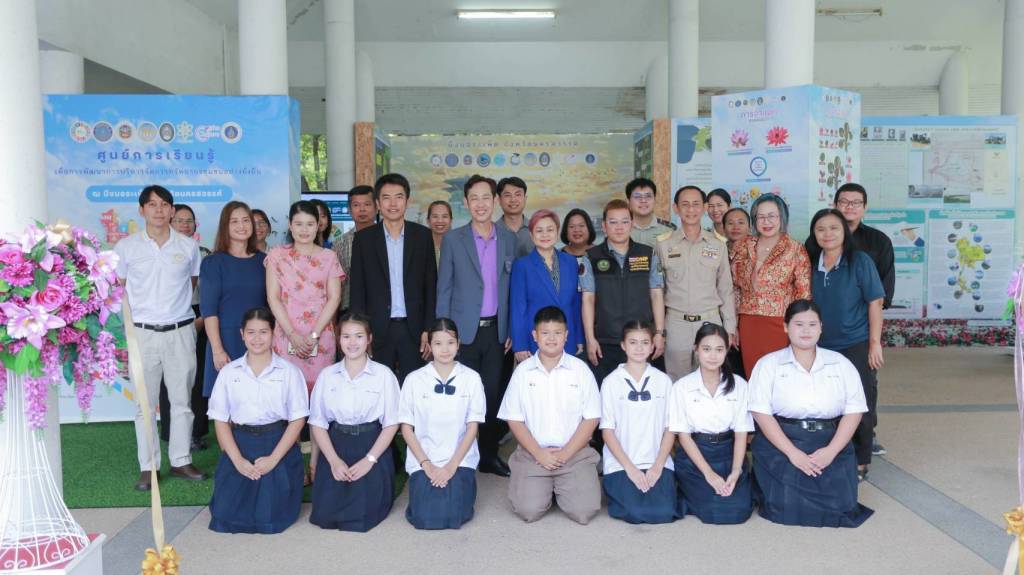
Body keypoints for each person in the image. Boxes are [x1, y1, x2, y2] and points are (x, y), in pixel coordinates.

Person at [748, 299, 874, 528]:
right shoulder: (768, 364)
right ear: (785, 327)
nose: (806, 331)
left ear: (821, 328)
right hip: (784, 441)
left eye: (812, 324)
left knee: (841, 506)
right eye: (799, 324)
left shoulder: (840, 363)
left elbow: (854, 411)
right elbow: (761, 413)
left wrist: (831, 451)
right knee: (786, 506)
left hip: (829, 440)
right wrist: (793, 453)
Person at [114, 185, 205, 490]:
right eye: (152, 205)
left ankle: (181, 460)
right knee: (145, 405)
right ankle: (149, 467)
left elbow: (191, 284)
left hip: (180, 331)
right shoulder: (126, 247)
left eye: (164, 204)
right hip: (142, 333)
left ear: (172, 210)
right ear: (141, 210)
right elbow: (119, 290)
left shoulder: (188, 247)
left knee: (182, 401)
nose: (158, 210)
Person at [436, 174, 517, 477]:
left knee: (492, 395)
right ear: (466, 202)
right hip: (462, 333)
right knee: (462, 396)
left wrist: (511, 328)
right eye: (474, 199)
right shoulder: (454, 239)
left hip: (497, 332)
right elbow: (444, 287)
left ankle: (489, 456)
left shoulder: (508, 238)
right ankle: (460, 456)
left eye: (486, 198)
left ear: (495, 201)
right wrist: (443, 332)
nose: (480, 204)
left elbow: (512, 288)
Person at [206, 308, 308, 534]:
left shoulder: (289, 372)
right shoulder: (229, 372)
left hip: (277, 443)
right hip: (240, 443)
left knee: (269, 517)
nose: (257, 339)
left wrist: (273, 459)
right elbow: (220, 421)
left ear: (273, 334)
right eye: (251, 332)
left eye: (263, 332)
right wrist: (237, 460)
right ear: (242, 334)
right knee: (225, 516)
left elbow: (298, 420)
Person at [498, 306, 602, 524]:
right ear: (535, 336)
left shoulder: (581, 370)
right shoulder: (522, 372)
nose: (551, 338)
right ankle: (547, 487)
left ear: (566, 335)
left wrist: (565, 453)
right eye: (545, 333)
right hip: (533, 453)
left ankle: (559, 486)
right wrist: (539, 453)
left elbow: (591, 418)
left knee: (583, 511)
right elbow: (514, 419)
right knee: (528, 510)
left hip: (574, 453)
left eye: (557, 333)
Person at [266, 200, 344, 479]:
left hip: (320, 338)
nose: (304, 229)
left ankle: (316, 464)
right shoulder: (276, 256)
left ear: (318, 226)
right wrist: (292, 334)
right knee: (289, 400)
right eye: (298, 224)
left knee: (318, 402)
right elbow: (273, 297)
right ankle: (294, 464)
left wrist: (312, 335)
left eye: (310, 224)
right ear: (290, 225)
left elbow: (334, 298)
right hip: (286, 335)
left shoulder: (329, 257)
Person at [806, 208, 885, 480]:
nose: (827, 234)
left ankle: (861, 461)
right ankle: (833, 455)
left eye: (833, 228)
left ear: (844, 232)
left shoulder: (860, 261)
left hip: (855, 344)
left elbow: (875, 302)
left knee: (859, 401)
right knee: (826, 404)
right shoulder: (811, 263)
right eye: (820, 229)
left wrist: (874, 343)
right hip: (820, 347)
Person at [308, 313, 400, 532]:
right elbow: (318, 422)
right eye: (346, 336)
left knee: (361, 516)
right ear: (338, 339)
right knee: (325, 516)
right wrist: (333, 461)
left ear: (369, 339)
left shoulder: (384, 375)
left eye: (359, 336)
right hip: (336, 445)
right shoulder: (327, 375)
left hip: (371, 445)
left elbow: (391, 423)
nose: (352, 343)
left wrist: (369, 460)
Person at [399, 318, 485, 530]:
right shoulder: (414, 379)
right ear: (429, 345)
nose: (445, 349)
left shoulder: (471, 378)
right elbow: (406, 428)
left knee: (455, 514)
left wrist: (451, 466)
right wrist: (427, 464)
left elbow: (472, 427)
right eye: (438, 343)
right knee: (424, 517)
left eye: (450, 343)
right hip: (424, 459)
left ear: (459, 344)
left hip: (459, 460)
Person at [349, 173, 436, 383]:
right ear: (378, 204)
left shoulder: (423, 236)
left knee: (413, 386)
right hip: (377, 328)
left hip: (414, 329)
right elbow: (357, 290)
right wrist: (362, 333)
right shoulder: (364, 239)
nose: (393, 204)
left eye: (399, 197)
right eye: (386, 198)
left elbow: (431, 286)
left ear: (407, 201)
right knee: (377, 386)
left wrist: (428, 329)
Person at [831, 182, 895, 458]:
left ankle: (867, 437)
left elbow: (882, 293)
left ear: (865, 208)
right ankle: (835, 434)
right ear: (835, 205)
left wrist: (874, 340)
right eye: (844, 202)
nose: (849, 207)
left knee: (865, 382)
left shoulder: (878, 242)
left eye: (856, 202)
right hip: (829, 327)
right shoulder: (821, 238)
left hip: (863, 326)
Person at [668, 322, 754, 524]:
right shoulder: (682, 387)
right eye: (706, 349)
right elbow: (683, 436)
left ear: (727, 350)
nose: (713, 356)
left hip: (728, 453)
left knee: (738, 510)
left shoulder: (739, 385)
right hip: (696, 456)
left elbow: (741, 432)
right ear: (696, 349)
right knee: (714, 510)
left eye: (719, 349)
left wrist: (736, 470)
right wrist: (709, 474)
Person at [599, 321, 679, 524]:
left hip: (656, 460)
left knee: (663, 512)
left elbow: (670, 428)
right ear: (623, 345)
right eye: (633, 342)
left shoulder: (663, 381)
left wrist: (658, 465)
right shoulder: (611, 382)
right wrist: (631, 469)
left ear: (653, 346)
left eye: (645, 342)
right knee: (634, 511)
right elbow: (607, 430)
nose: (639, 348)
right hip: (622, 463)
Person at [581, 199, 666, 387]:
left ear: (632, 224)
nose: (619, 227)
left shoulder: (647, 254)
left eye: (624, 221)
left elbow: (656, 295)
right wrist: (590, 339)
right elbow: (588, 300)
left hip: (641, 341)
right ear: (604, 226)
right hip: (605, 342)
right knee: (606, 394)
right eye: (613, 222)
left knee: (642, 393)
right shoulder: (592, 257)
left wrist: (659, 333)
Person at [655, 186, 737, 381]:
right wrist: (659, 331)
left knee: (711, 379)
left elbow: (725, 289)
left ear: (705, 208)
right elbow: (657, 290)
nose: (690, 210)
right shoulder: (663, 244)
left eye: (696, 204)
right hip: (676, 324)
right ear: (676, 208)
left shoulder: (718, 244)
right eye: (685, 205)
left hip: (710, 321)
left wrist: (730, 328)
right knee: (677, 382)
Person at [730, 194, 811, 371]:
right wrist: (733, 324)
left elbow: (803, 293)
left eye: (772, 216)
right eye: (761, 217)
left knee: (780, 374)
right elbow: (734, 287)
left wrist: (797, 326)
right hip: (748, 323)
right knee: (754, 373)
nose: (766, 222)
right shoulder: (743, 246)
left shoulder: (795, 248)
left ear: (782, 218)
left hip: (781, 324)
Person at [199, 201, 268, 400]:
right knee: (226, 400)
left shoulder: (264, 261)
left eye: (246, 220)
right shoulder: (213, 263)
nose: (241, 226)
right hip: (226, 339)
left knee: (258, 399)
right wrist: (217, 349)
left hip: (259, 340)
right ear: (225, 226)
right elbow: (209, 310)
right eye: (234, 221)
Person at [158, 204, 210, 451]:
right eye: (179, 220)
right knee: (168, 378)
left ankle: (196, 433)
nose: (184, 225)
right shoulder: (160, 252)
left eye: (189, 221)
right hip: (167, 319)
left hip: (199, 317)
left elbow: (211, 292)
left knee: (196, 377)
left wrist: (201, 320)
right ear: (170, 222)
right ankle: (171, 432)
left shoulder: (204, 253)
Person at [510, 209, 583, 360]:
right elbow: (518, 308)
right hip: (536, 339)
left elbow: (576, 304)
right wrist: (520, 344)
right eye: (539, 231)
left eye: (550, 230)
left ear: (557, 233)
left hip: (566, 337)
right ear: (531, 235)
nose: (545, 235)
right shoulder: (522, 265)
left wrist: (579, 338)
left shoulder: (570, 262)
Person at [332, 185, 377, 313]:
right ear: (349, 210)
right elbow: (337, 283)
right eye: (356, 205)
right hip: (349, 310)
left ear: (376, 207)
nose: (362, 209)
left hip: (382, 309)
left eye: (367, 204)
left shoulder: (388, 238)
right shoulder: (339, 243)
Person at [626, 177, 675, 248]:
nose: (643, 200)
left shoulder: (669, 229)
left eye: (648, 196)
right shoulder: (620, 228)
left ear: (655, 199)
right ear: (628, 201)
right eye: (637, 196)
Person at [496, 176, 534, 258]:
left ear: (525, 199)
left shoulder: (536, 230)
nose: (513, 199)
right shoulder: (491, 232)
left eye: (518, 194)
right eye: (507, 195)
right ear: (499, 200)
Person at [427, 200, 453, 266]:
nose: (440, 221)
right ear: (428, 221)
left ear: (451, 221)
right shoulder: (419, 248)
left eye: (444, 216)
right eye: (435, 216)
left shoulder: (460, 248)